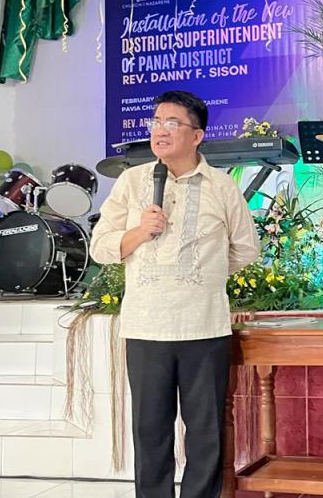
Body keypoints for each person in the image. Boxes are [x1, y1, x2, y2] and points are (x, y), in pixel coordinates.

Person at [90, 90, 260, 498]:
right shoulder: (132, 182)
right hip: (147, 326)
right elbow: (100, 247)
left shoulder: (222, 187)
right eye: (155, 122)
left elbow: (245, 249)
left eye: (172, 123)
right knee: (150, 432)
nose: (159, 131)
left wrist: (202, 274)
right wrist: (137, 232)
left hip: (203, 327)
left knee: (205, 433)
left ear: (197, 135)